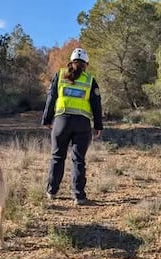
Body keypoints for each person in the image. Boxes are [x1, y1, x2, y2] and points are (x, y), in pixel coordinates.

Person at [42, 47, 103, 205]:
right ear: (86, 65)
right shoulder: (90, 80)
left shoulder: (60, 75)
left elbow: (51, 98)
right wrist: (98, 125)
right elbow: (96, 104)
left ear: (71, 62)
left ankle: (51, 191)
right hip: (82, 124)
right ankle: (79, 196)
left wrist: (47, 119)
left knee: (57, 157)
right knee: (78, 160)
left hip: (61, 122)